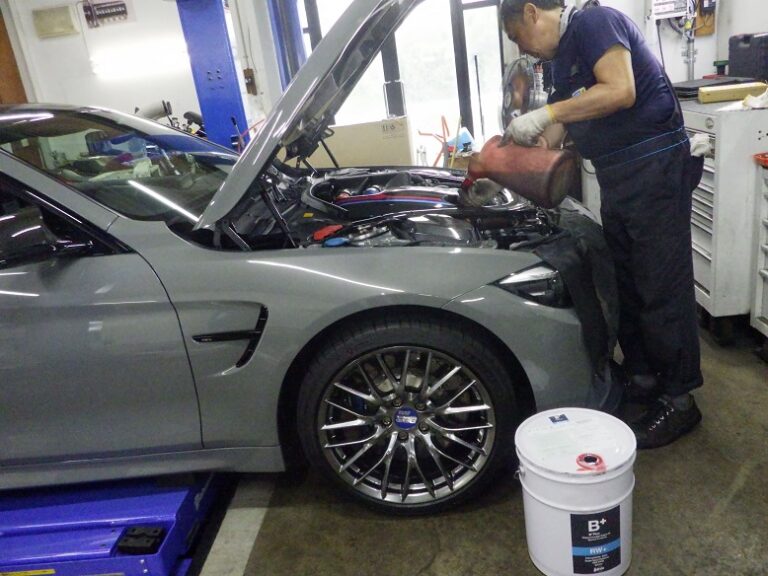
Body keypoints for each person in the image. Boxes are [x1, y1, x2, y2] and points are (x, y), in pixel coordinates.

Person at [499, 0, 705, 448]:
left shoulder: (595, 22)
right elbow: (558, 131)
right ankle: (643, 377)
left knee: (660, 286)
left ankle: (679, 400)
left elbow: (620, 91)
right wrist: (522, 146)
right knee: (626, 280)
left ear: (532, 13)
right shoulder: (559, 64)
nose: (522, 49)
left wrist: (548, 114)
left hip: (654, 167)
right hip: (618, 177)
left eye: (517, 37)